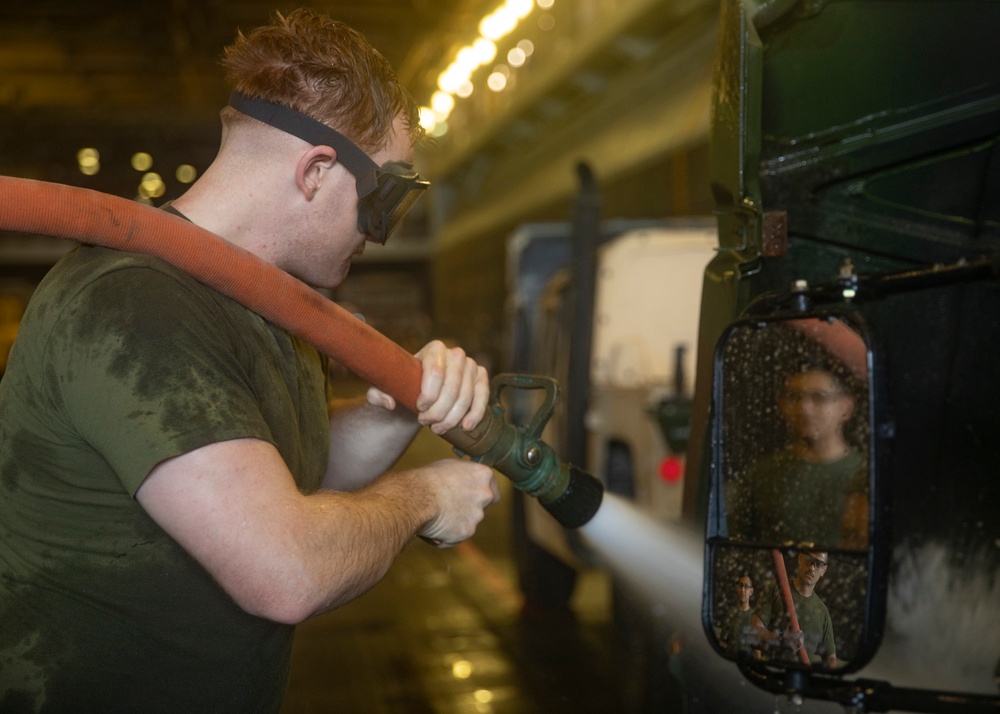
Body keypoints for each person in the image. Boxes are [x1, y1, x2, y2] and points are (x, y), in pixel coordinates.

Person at [0, 10, 500, 712]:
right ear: (316, 171)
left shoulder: (273, 308)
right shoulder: (138, 302)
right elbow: (284, 569)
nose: (379, 235)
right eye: (383, 199)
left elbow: (290, 470)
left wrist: (398, 414)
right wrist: (426, 498)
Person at [727, 361, 868, 548]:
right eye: (794, 397)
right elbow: (739, 543)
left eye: (819, 397)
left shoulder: (866, 473)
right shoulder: (763, 474)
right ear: (782, 405)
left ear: (846, 406)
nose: (804, 408)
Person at [750, 551, 837, 668]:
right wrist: (782, 640)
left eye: (818, 564)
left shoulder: (823, 613)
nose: (812, 568)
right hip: (771, 676)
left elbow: (831, 662)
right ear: (800, 558)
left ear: (823, 570)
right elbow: (752, 635)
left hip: (802, 683)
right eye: (808, 560)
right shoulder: (775, 589)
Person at [720, 574, 756, 655]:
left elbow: (757, 649)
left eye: (746, 586)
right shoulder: (731, 614)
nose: (743, 590)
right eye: (741, 585)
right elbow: (723, 642)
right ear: (737, 588)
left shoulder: (754, 617)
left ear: (751, 591)